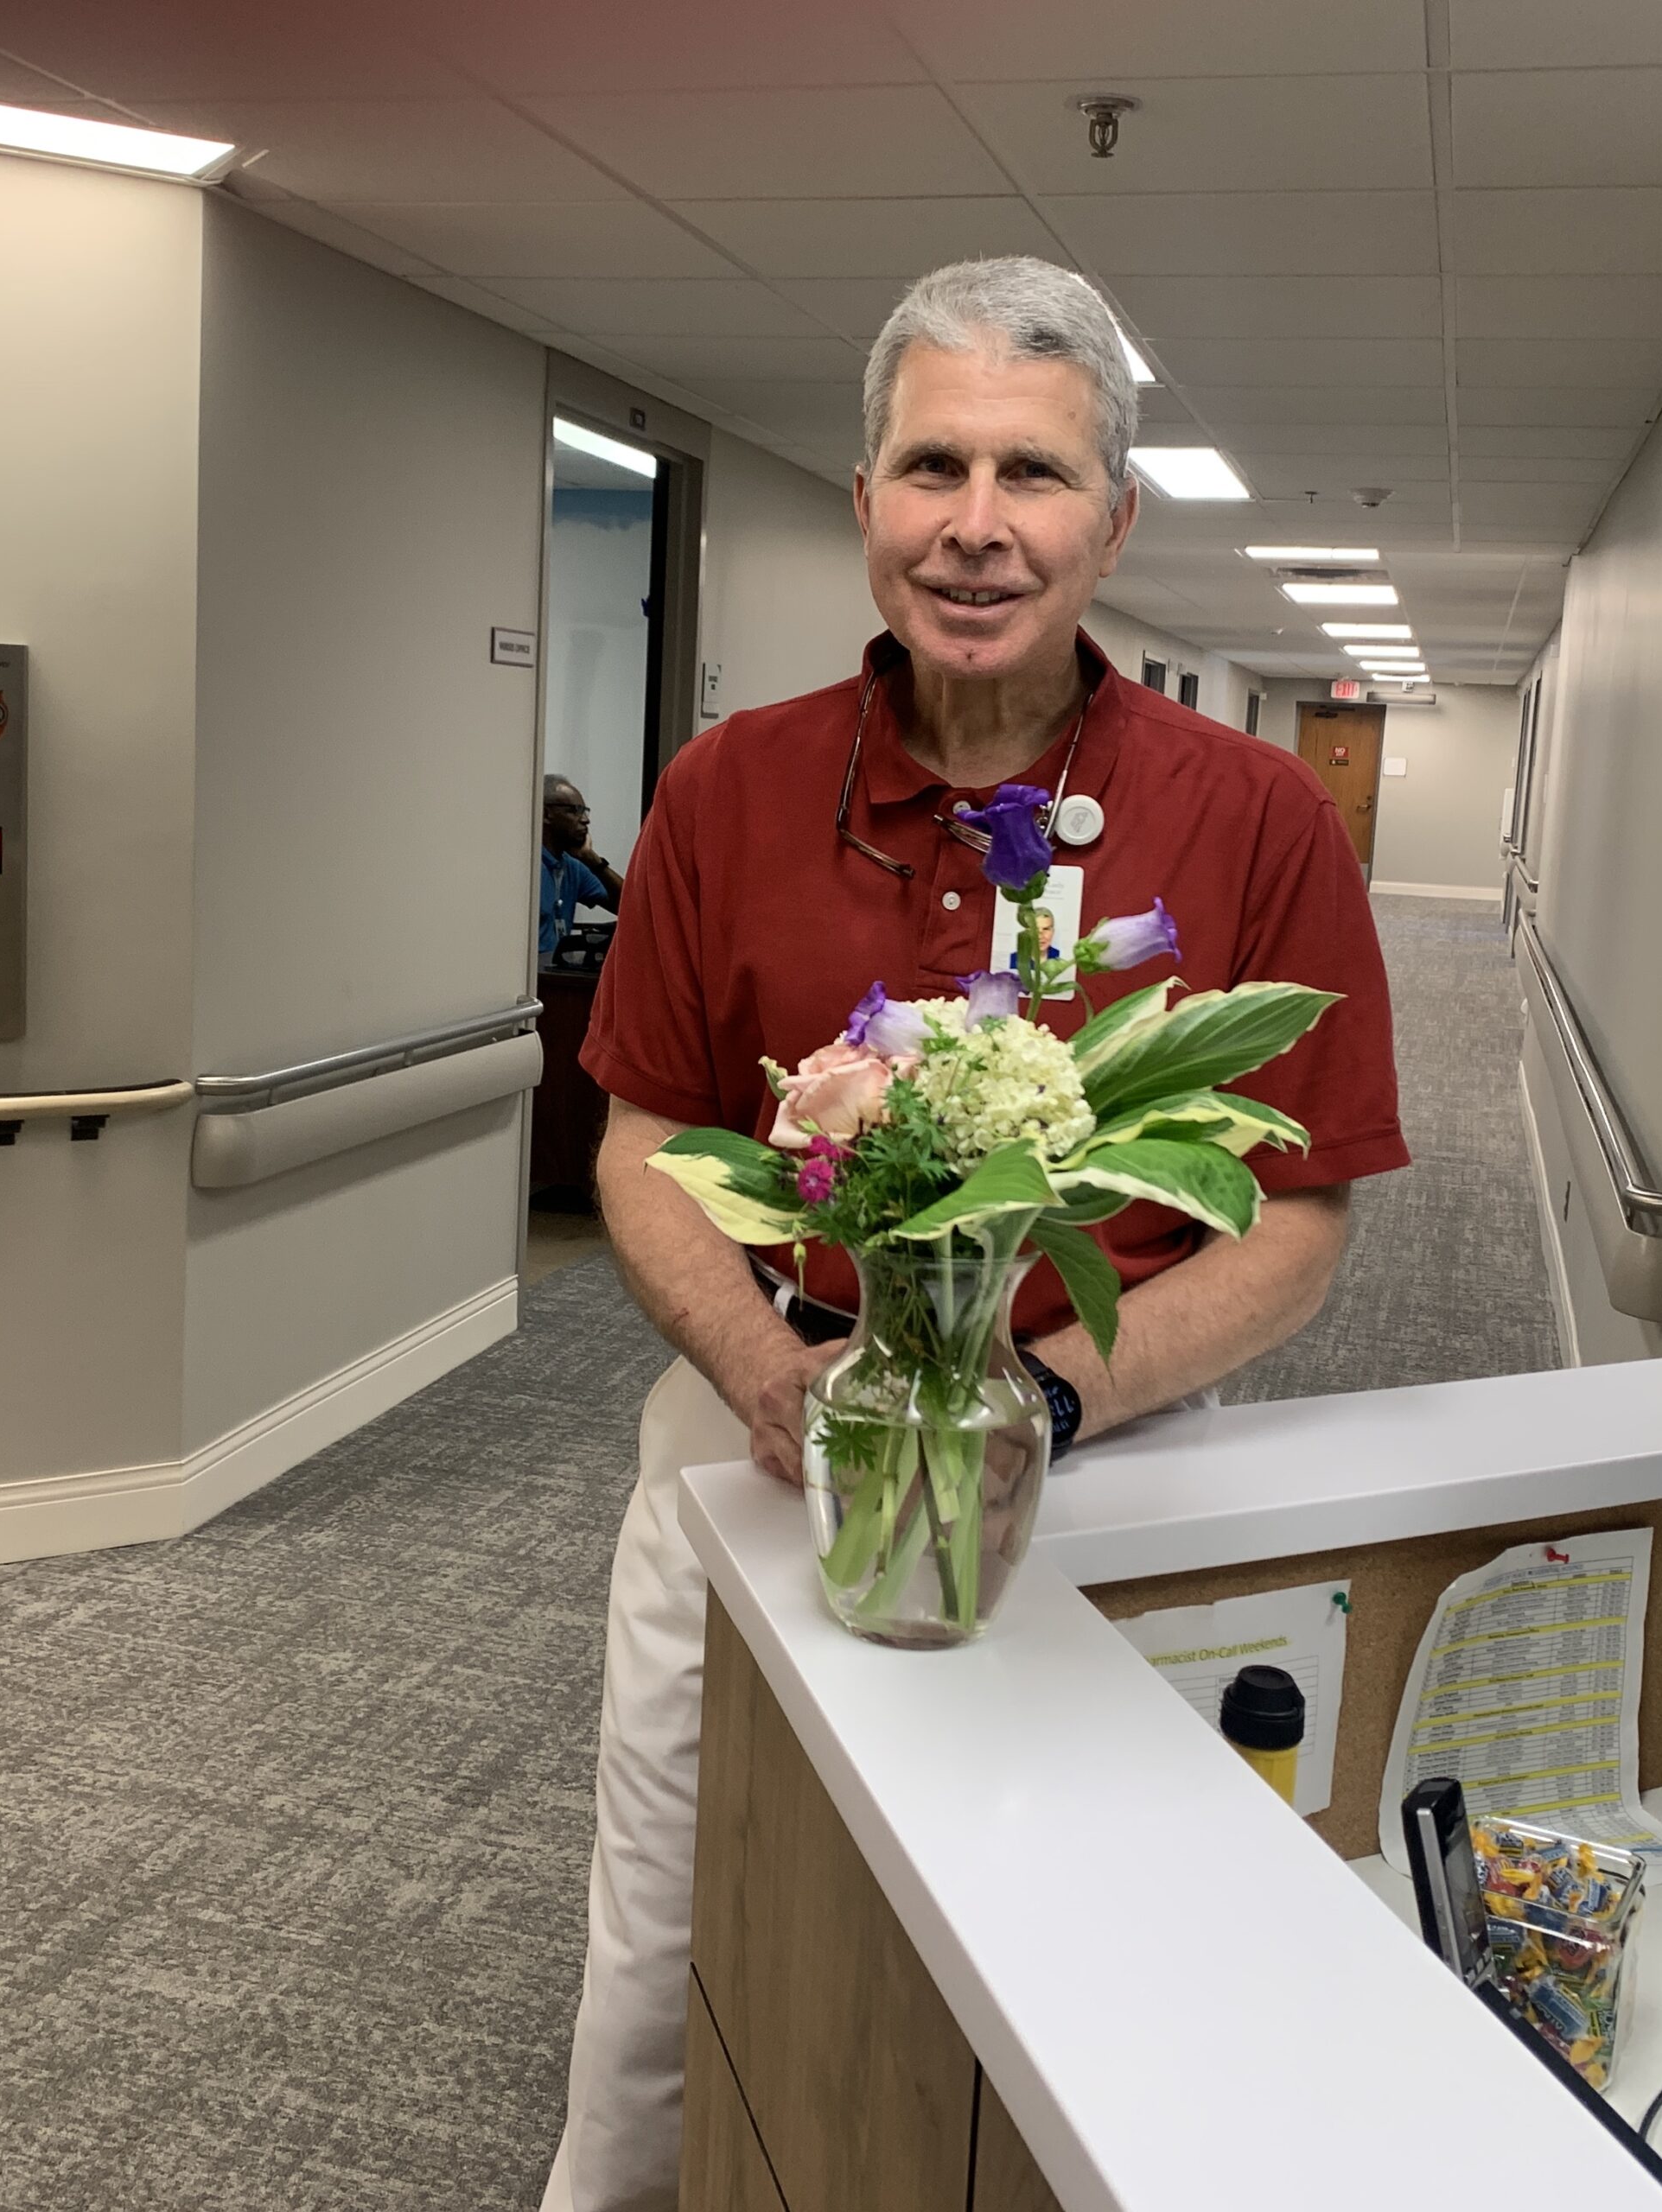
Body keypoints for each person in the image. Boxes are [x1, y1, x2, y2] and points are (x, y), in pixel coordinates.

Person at [538, 257, 1410, 2212]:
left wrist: (1035, 1395)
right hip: (766, 1420)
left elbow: (1299, 1212)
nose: (974, 522)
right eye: (930, 461)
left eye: (1031, 470)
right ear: (863, 499)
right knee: (670, 1906)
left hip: (1108, 1435)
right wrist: (770, 1376)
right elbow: (650, 1129)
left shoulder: (1253, 814)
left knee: (1086, 1939)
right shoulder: (728, 786)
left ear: (1112, 519)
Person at [540, 774, 623, 961]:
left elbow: (628, 906)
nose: (585, 820)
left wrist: (594, 861)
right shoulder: (526, 865)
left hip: (557, 975)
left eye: (585, 811)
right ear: (546, 814)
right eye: (574, 811)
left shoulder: (573, 865)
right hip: (524, 978)